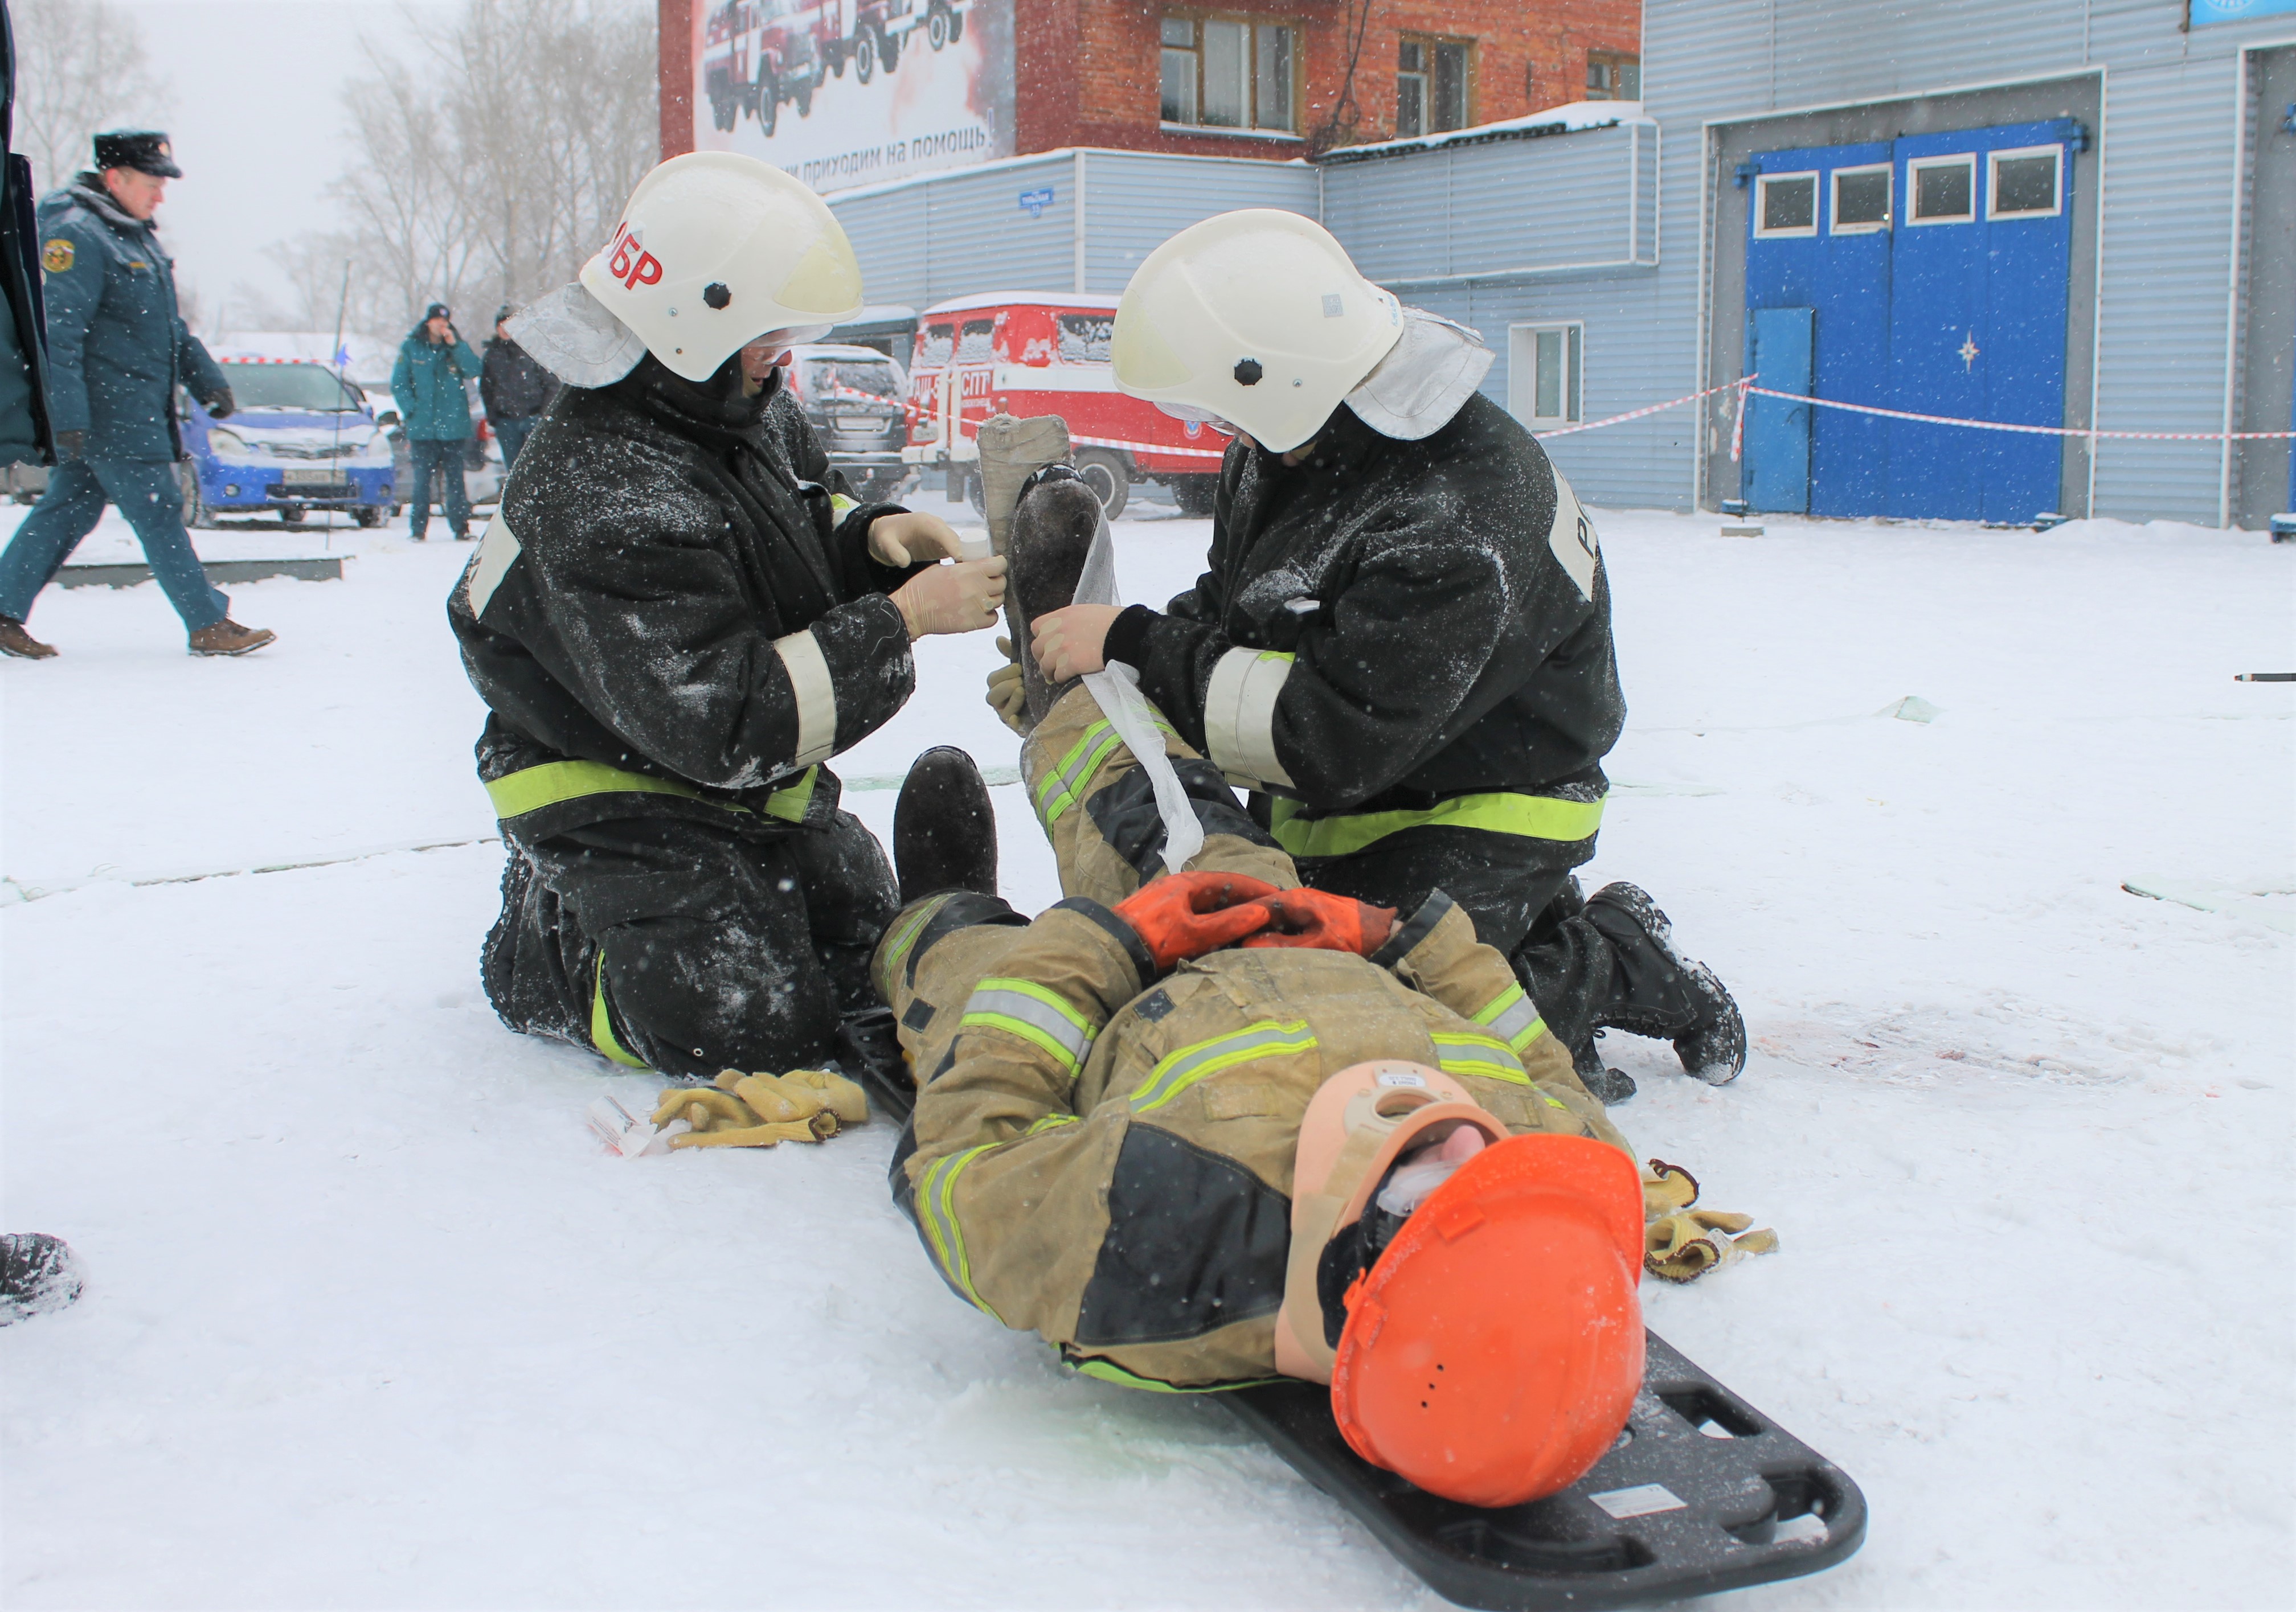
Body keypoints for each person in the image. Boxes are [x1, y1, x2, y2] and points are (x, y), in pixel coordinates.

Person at [834, 471, 1771, 1506]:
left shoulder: (1166, 1231)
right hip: (1310, 948)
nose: (1465, 1140)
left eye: (1434, 1198)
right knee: (1168, 806)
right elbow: (1523, 1035)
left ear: (1357, 1269)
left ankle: (939, 905)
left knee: (966, 982)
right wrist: (1390, 932)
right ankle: (1070, 692)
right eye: (1489, 1170)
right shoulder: (1558, 1184)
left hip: (1127, 1007)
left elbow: (968, 1160)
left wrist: (1105, 944)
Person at [1016, 210, 1744, 1100]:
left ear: (1274, 377)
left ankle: (1615, 956)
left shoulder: (1456, 515)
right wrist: (1119, 669)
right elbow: (1240, 607)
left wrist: (1133, 640)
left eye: (1218, 411)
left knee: (1404, 1023)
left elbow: (1330, 738)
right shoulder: (1299, 441)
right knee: (1281, 971)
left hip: (1489, 801)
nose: (1217, 433)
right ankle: (1517, 931)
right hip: (1378, 785)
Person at [450, 151, 1009, 1081]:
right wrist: (900, 622)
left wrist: (865, 539)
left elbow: (781, 521)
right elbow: (728, 722)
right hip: (615, 787)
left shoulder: (726, 401)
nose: (780, 349)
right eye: (766, 329)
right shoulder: (600, 493)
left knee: (854, 932)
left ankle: (883, 929)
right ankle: (554, 945)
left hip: (714, 772)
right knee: (750, 1026)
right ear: (687, 319)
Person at [0, 129, 272, 658]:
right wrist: (67, 416)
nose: (160, 194)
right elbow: (59, 330)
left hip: (130, 411)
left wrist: (206, 377)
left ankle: (3, 607)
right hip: (112, 414)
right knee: (160, 510)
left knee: (68, 509)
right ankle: (207, 621)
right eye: (151, 183)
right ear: (114, 177)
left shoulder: (132, 237)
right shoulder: (78, 235)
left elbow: (168, 328)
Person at [391, 301, 481, 540]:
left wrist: (456, 346)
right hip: (423, 429)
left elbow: (474, 370)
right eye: (438, 320)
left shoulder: (455, 347)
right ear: (428, 322)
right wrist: (412, 411)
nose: (442, 325)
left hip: (454, 428)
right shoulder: (412, 347)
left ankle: (461, 528)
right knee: (422, 482)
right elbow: (399, 384)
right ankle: (418, 530)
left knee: (456, 482)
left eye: (445, 321)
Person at [480, 303, 555, 470]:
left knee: (537, 469)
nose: (505, 328)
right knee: (513, 470)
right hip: (506, 421)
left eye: (510, 323)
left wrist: (544, 415)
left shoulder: (533, 349)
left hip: (533, 417)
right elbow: (486, 388)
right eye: (501, 324)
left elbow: (551, 384)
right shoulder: (492, 354)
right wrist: (494, 416)